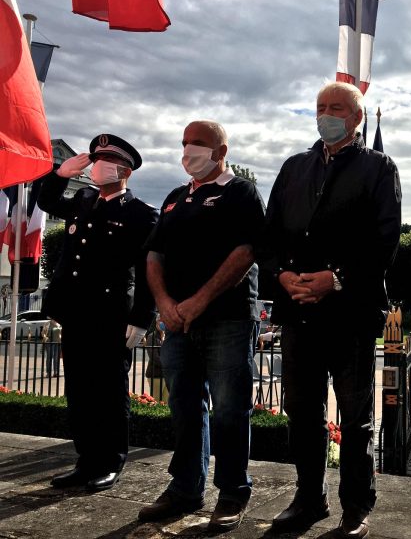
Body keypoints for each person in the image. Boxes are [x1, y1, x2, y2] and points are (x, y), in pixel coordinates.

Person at [263, 81, 401, 539]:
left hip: (350, 313)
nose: (326, 114)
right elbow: (272, 235)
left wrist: (336, 278)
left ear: (356, 117)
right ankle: (308, 498)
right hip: (299, 308)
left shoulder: (378, 167)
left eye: (336, 107)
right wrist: (282, 276)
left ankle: (356, 505)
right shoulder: (294, 166)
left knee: (355, 417)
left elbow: (384, 238)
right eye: (321, 107)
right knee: (301, 411)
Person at [139, 120, 266, 532]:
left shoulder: (240, 192)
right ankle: (185, 487)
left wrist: (198, 300)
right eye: (184, 142)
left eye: (199, 143)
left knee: (230, 409)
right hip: (177, 321)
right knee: (184, 405)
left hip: (226, 317)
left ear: (221, 150)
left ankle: (232, 492)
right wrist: (165, 304)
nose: (189, 149)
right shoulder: (175, 198)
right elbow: (154, 254)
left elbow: (247, 250)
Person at [37, 135, 159, 492]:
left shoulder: (140, 214)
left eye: (105, 160)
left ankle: (109, 462)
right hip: (75, 313)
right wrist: (60, 173)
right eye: (96, 159)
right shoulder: (84, 200)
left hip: (110, 318)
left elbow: (149, 269)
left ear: (124, 170)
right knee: (79, 392)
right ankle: (85, 460)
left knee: (108, 393)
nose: (97, 165)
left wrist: (142, 318)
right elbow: (46, 201)